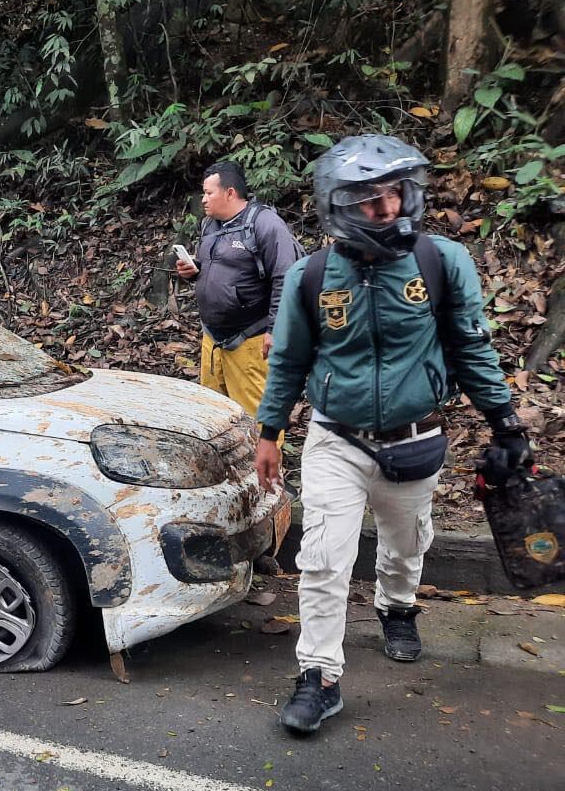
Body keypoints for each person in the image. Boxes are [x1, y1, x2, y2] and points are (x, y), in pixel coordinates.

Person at [254, 135, 530, 735]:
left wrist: (505, 421)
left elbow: (471, 346)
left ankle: (397, 606)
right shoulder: (312, 275)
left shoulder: (442, 261)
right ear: (338, 208)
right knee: (325, 558)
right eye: (370, 200)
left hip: (416, 437)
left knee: (407, 544)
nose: (387, 210)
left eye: (395, 195)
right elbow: (289, 360)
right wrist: (269, 431)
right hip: (337, 439)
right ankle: (319, 676)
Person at [176, 161, 301, 429]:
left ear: (230, 193)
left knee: (257, 418)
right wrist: (194, 270)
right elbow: (219, 269)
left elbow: (286, 276)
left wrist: (276, 329)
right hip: (213, 336)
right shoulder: (209, 225)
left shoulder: (265, 224)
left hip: (251, 339)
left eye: (209, 193)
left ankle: (266, 469)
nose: (204, 199)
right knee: (211, 413)